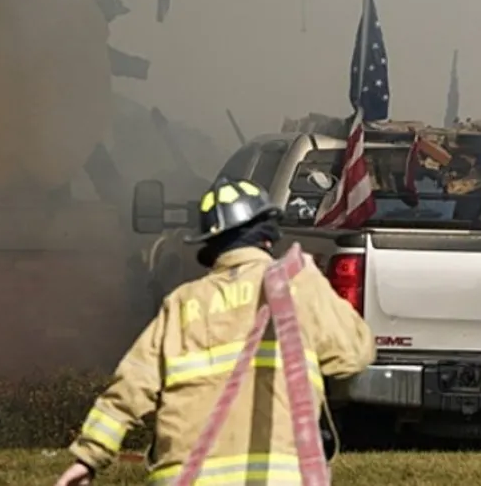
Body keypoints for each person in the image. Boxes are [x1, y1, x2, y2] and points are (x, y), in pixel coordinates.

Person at [53, 176, 376, 486]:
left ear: (211, 246)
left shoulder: (181, 305)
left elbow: (130, 387)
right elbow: (353, 357)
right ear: (267, 235)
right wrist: (320, 293)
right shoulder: (297, 284)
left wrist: (88, 458)